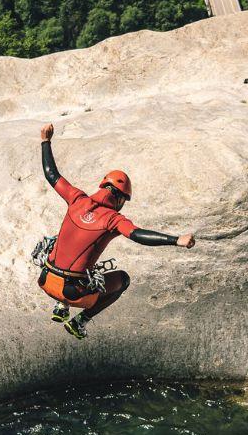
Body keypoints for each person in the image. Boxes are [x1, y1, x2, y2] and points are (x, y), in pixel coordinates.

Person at [37, 122, 197, 339]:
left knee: (68, 249)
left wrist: (45, 141)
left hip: (45, 278)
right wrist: (176, 239)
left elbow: (51, 174)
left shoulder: (76, 198)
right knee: (122, 279)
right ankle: (80, 321)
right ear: (120, 198)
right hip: (72, 291)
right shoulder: (113, 218)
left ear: (103, 187)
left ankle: (60, 307)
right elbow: (138, 235)